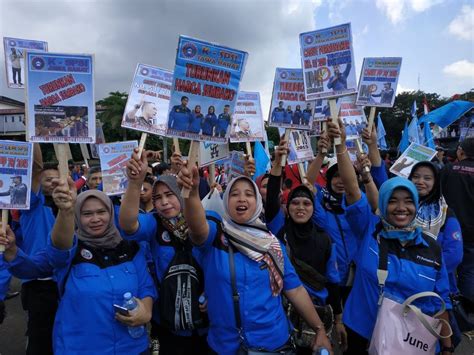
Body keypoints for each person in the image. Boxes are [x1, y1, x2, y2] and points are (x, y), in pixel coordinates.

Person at [326, 118, 453, 354]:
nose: (401, 207)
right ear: (383, 205)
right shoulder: (370, 229)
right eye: (392, 201)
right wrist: (340, 146)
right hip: (363, 335)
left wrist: (447, 347)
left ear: (415, 206)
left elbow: (440, 302)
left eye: (408, 201)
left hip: (411, 344)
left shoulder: (432, 248)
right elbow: (353, 189)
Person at [177, 165, 332, 354]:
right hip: (225, 346)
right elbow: (197, 228)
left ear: (257, 202)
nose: (242, 198)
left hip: (273, 344)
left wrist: (319, 329)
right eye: (234, 194)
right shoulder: (215, 237)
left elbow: (296, 290)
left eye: (249, 194)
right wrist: (192, 194)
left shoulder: (272, 244)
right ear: (226, 201)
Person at [2, 179, 156, 354]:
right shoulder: (70, 250)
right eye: (87, 214)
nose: (96, 219)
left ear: (111, 213)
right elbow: (35, 266)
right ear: (77, 217)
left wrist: (145, 311)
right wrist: (12, 250)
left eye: (101, 212)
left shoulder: (131, 248)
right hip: (80, 347)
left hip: (132, 347)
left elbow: (146, 287)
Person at [120, 150, 209, 355]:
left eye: (170, 194)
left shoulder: (203, 222)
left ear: (181, 193)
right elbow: (127, 225)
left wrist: (213, 293)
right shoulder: (153, 223)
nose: (164, 202)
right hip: (169, 323)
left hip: (206, 321)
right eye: (158, 197)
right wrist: (135, 183)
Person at [266, 139, 347, 353]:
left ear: (314, 207)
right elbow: (272, 199)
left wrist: (338, 320)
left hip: (316, 320)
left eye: (306, 203)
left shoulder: (325, 240)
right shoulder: (279, 231)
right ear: (287, 207)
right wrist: (277, 164)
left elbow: (333, 283)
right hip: (282, 315)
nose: (300, 207)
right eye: (294, 202)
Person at [409, 161, 464, 347]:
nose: (420, 182)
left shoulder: (446, 214)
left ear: (436, 182)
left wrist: (424, 271)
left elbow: (454, 255)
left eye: (427, 178)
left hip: (434, 290)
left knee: (429, 340)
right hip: (405, 289)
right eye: (415, 177)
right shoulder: (401, 207)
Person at [440, 137, 474, 302]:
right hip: (471, 232)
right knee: (468, 270)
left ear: (461, 152)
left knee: (446, 267)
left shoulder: (448, 169)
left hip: (449, 228)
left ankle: (452, 301)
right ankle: (467, 309)